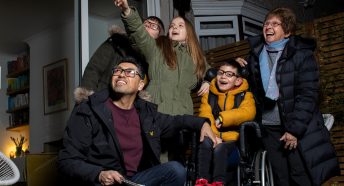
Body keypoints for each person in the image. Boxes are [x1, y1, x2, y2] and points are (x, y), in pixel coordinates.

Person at [58, 56, 217, 186]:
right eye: (118, 71)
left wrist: (202, 123)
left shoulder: (146, 114)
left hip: (135, 182)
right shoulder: (88, 110)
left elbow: (177, 121)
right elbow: (67, 161)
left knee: (176, 170)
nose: (121, 74)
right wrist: (99, 174)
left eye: (129, 72)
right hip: (103, 183)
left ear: (141, 85)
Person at [236, 7, 339, 186]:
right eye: (266, 23)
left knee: (300, 176)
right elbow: (251, 87)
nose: (268, 26)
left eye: (275, 24)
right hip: (269, 127)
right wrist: (237, 69)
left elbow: (308, 95)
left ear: (287, 32)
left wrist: (294, 130)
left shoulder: (301, 55)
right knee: (280, 178)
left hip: (294, 127)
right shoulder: (255, 55)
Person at [114, 0, 210, 116]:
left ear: (189, 32)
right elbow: (140, 35)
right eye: (172, 26)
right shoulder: (157, 48)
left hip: (183, 113)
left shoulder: (197, 57)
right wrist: (127, 11)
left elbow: (212, 73)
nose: (174, 28)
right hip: (155, 109)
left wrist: (208, 81)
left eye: (180, 26)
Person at [195, 59, 256, 186]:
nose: (223, 76)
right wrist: (214, 136)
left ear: (238, 80)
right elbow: (205, 115)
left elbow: (248, 112)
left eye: (229, 74)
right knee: (205, 142)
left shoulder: (245, 96)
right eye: (220, 72)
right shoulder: (209, 95)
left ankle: (218, 182)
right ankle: (201, 181)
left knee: (220, 148)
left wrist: (223, 118)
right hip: (212, 138)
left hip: (234, 144)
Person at [81, 16, 165, 92]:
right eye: (146, 23)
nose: (148, 26)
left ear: (159, 36)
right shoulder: (117, 41)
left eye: (154, 26)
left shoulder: (156, 61)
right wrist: (88, 99)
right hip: (103, 101)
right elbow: (93, 69)